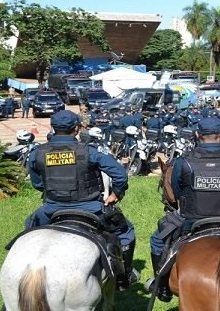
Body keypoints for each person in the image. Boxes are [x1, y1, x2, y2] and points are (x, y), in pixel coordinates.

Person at [148, 117, 220, 301]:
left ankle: (162, 286)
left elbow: (177, 190)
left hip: (192, 219)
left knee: (157, 241)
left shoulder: (183, 161)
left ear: (196, 135)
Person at [25, 110, 138, 290]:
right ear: (76, 129)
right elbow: (120, 174)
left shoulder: (38, 153)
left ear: (53, 128)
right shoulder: (89, 152)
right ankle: (123, 276)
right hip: (90, 209)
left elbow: (37, 184)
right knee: (126, 232)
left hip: (52, 209)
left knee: (29, 229)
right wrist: (115, 194)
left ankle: (27, 271)